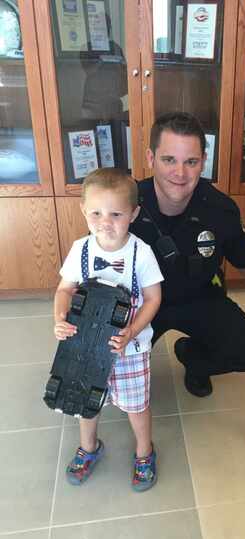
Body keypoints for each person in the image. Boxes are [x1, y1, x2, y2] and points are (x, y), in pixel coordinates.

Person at [130, 112, 245, 397]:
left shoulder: (220, 209)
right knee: (107, 359)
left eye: (191, 162)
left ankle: (195, 360)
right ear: (151, 159)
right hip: (144, 303)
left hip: (201, 297)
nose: (180, 173)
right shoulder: (127, 203)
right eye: (169, 160)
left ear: (203, 161)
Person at [54, 168, 163, 490]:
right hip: (86, 347)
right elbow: (64, 290)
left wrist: (131, 331)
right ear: (83, 211)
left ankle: (145, 451)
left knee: (136, 405)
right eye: (96, 213)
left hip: (129, 349)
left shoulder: (140, 252)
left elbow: (154, 298)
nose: (106, 222)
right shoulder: (81, 249)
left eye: (116, 214)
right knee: (86, 401)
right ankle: (89, 447)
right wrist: (60, 319)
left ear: (134, 213)